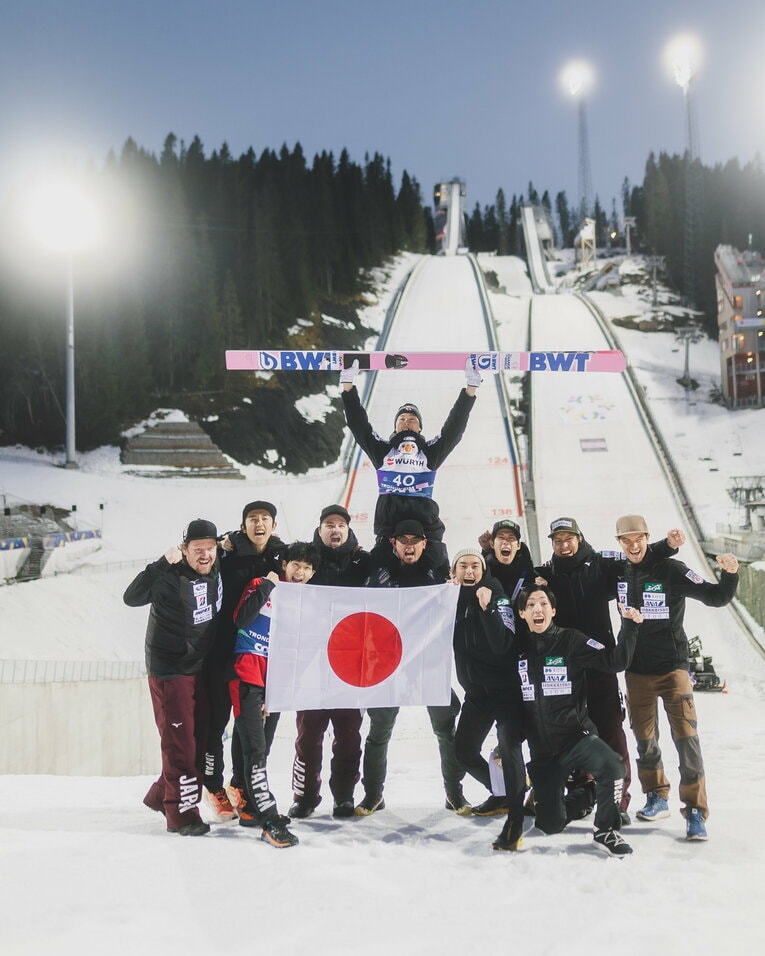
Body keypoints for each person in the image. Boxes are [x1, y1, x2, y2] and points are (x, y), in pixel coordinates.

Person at [534, 515, 683, 824]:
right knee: (568, 731)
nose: (564, 545)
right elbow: (513, 583)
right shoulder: (546, 574)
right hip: (565, 669)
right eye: (558, 541)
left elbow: (637, 556)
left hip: (600, 662)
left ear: (579, 537)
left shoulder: (601, 564)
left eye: (569, 539)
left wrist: (667, 546)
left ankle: (620, 800)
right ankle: (581, 791)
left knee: (611, 729)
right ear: (552, 543)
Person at [615, 514, 739, 841]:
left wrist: (730, 574)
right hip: (636, 671)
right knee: (644, 738)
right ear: (619, 544)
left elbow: (716, 597)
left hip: (672, 669)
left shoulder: (671, 570)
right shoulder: (618, 571)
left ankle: (695, 810)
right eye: (626, 541)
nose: (633, 545)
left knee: (687, 739)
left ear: (646, 536)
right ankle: (656, 795)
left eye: (638, 538)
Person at [513, 585, 643, 856]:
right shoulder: (516, 649)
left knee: (613, 767)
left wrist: (629, 626)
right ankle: (590, 793)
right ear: (522, 613)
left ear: (553, 611)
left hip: (575, 737)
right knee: (549, 824)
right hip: (543, 752)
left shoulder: (571, 640)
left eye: (543, 604)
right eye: (531, 605)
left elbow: (614, 661)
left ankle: (606, 829)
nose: (538, 609)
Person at [356, 519, 470, 816]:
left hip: (427, 662)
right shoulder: (379, 572)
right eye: (402, 539)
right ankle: (373, 794)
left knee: (446, 729)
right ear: (392, 544)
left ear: (424, 544)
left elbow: (471, 585)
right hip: (388, 665)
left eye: (414, 540)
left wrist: (455, 590)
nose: (409, 545)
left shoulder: (437, 575)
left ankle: (455, 793)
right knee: (379, 731)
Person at [123, 519, 223, 836]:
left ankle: (162, 795)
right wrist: (160, 564)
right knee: (180, 744)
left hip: (200, 668)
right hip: (170, 670)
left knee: (200, 739)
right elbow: (132, 597)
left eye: (210, 548)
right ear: (184, 550)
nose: (204, 555)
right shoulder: (169, 576)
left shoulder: (219, 565)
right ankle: (182, 814)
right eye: (197, 549)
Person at [340, 359, 480, 555]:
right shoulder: (383, 450)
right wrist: (348, 386)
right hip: (388, 531)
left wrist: (470, 389)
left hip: (425, 533)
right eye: (402, 419)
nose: (407, 423)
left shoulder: (429, 452)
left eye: (412, 420)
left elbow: (453, 429)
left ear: (420, 427)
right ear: (395, 426)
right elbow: (359, 425)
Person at [230, 541, 320, 848]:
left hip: (276, 684)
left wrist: (277, 691)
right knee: (255, 751)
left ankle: (253, 808)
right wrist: (268, 585)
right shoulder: (261, 584)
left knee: (260, 749)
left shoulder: (304, 601)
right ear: (285, 565)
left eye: (308, 568)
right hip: (246, 678)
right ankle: (268, 818)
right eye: (296, 565)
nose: (301, 572)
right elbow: (241, 620)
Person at [202, 500, 287, 821]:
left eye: (265, 518)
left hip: (255, 656)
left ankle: (240, 785)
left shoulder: (279, 556)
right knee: (217, 723)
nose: (259, 523)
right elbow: (207, 553)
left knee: (246, 726)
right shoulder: (228, 552)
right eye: (253, 519)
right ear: (243, 525)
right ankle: (213, 785)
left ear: (273, 525)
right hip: (221, 651)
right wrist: (225, 540)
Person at [289, 505, 370, 820]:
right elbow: (274, 558)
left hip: (350, 665)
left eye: (340, 525)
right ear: (320, 528)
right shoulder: (308, 559)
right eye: (328, 524)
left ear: (348, 530)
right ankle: (306, 796)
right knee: (309, 736)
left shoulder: (364, 561)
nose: (334, 530)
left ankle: (345, 797)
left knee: (348, 735)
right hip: (312, 663)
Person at [450, 547, 527, 849]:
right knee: (464, 751)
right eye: (462, 567)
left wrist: (488, 610)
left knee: (509, 750)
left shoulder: (498, 598)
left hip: (505, 691)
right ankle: (502, 793)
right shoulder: (451, 601)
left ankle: (517, 801)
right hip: (476, 694)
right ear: (454, 572)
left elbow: (501, 644)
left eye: (474, 566)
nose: (469, 572)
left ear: (483, 571)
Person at [477, 518, 536, 606]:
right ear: (492, 544)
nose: (505, 542)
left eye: (511, 538)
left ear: (518, 545)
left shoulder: (532, 577)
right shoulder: (481, 577)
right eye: (501, 537)